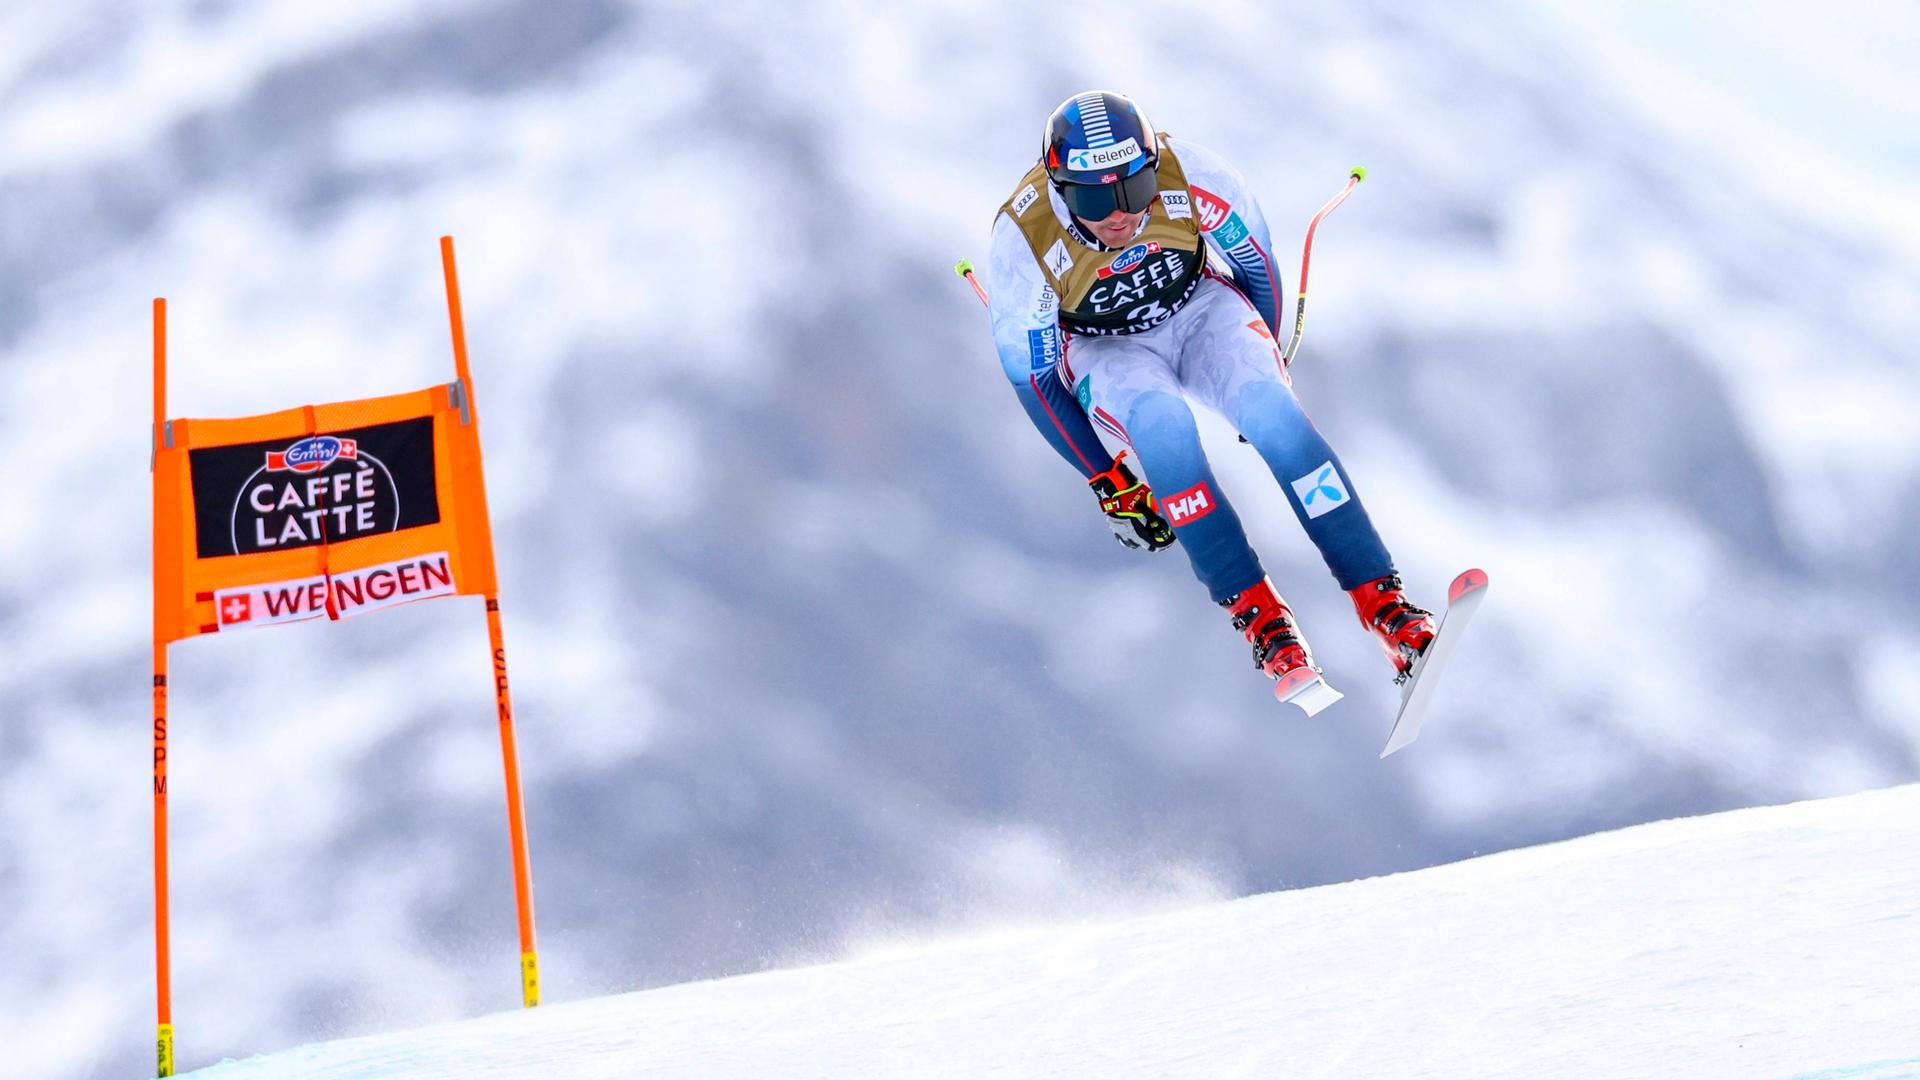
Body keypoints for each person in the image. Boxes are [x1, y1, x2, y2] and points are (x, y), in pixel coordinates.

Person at [983, 90, 1436, 711]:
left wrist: (1268, 361)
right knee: (1161, 429)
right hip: (1105, 348)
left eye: (1135, 189)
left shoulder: (1192, 174)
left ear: (1152, 167)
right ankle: (1265, 625)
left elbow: (1256, 263)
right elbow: (1036, 381)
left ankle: (1386, 607)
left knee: (1272, 413)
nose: (1120, 214)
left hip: (1199, 307)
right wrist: (1107, 478)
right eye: (1094, 200)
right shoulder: (1025, 242)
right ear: (1062, 191)